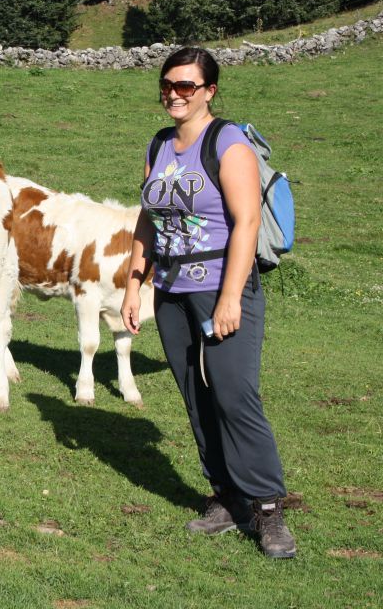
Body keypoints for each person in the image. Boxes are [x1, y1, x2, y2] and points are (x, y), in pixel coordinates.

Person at [120, 46, 296, 559]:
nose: (174, 94)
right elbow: (148, 219)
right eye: (168, 85)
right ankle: (226, 497)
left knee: (234, 395)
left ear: (209, 91)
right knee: (196, 397)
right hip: (172, 291)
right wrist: (135, 283)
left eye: (186, 87)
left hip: (221, 286)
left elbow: (244, 223)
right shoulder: (158, 146)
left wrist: (231, 297)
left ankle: (266, 508)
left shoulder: (228, 143)